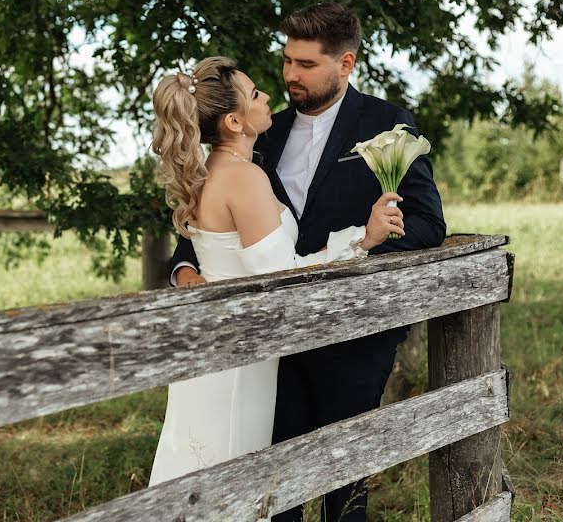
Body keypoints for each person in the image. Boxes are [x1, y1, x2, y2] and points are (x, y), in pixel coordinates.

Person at [168, 4, 446, 522]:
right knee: (274, 489)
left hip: (354, 335)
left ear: (345, 64)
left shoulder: (387, 124)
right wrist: (185, 269)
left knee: (346, 484)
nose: (291, 75)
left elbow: (429, 225)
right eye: (286, 61)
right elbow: (215, 219)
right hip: (272, 347)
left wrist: (366, 245)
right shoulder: (261, 131)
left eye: (307, 64)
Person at [148, 55, 404, 487]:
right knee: (229, 474)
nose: (267, 96)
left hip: (218, 344)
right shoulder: (243, 178)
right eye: (254, 94)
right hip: (239, 355)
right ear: (234, 121)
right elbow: (284, 278)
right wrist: (364, 238)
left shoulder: (213, 171)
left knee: (195, 466)